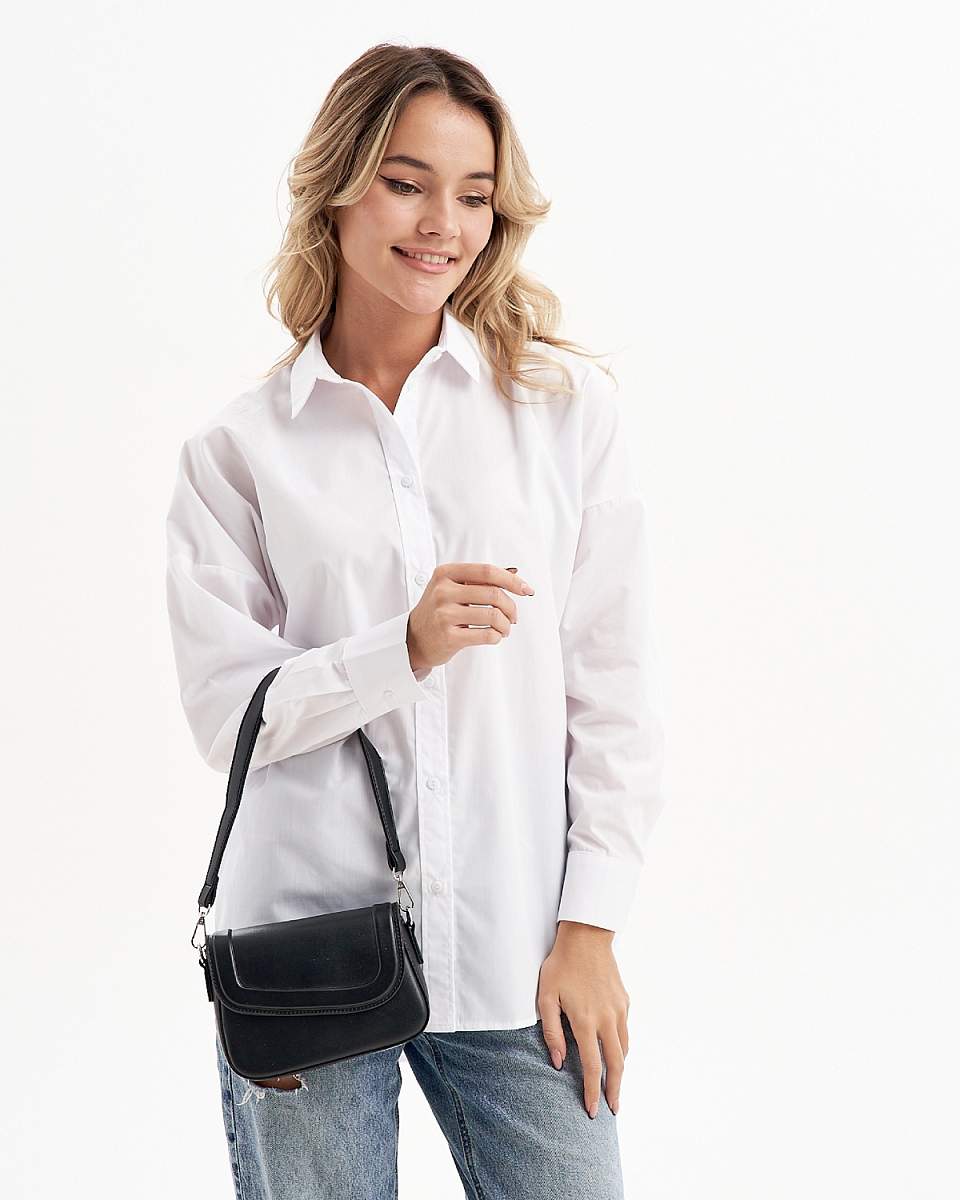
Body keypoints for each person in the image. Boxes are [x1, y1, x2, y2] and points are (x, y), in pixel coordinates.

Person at [165, 42, 666, 1200]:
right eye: (405, 182)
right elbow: (227, 716)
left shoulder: (562, 413)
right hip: (303, 956)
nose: (443, 223)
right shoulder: (240, 451)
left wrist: (593, 927)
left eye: (474, 194)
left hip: (519, 955)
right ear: (338, 188)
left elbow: (616, 688)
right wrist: (401, 649)